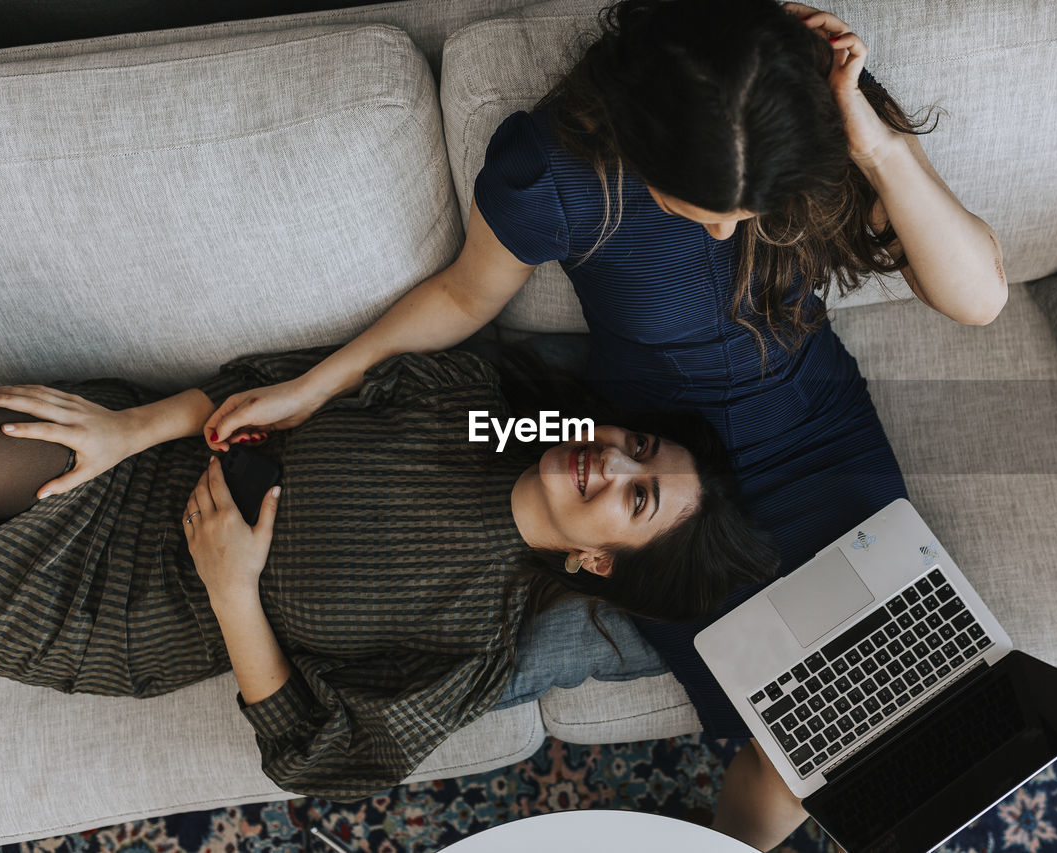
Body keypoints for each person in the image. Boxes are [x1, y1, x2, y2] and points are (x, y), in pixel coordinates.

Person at [201, 0, 1004, 846]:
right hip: (659, 469)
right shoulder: (553, 168)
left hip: (820, 435)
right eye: (702, 208)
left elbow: (979, 298)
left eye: (747, 212)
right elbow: (464, 296)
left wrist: (873, 141)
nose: (729, 230)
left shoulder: (805, 124)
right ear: (639, 138)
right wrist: (313, 386)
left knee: (878, 700)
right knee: (782, 737)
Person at [0, 346, 777, 800]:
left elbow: (319, 757)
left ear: (598, 561)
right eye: (636, 445)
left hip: (115, 612)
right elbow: (273, 380)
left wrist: (233, 593)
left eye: (635, 496)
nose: (607, 459)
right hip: (133, 465)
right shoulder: (474, 403)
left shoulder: (475, 643)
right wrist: (126, 429)